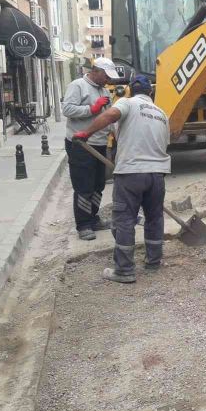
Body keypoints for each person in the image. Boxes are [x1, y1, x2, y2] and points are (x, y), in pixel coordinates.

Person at [73, 75, 171, 284]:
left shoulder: (128, 103)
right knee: (155, 219)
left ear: (131, 91)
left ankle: (124, 270)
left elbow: (110, 115)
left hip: (131, 174)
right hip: (157, 174)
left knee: (124, 221)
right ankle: (153, 262)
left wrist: (86, 133)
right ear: (150, 93)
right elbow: (165, 142)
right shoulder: (162, 113)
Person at [62, 57, 121, 240]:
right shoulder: (78, 85)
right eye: (106, 76)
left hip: (100, 143)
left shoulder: (104, 90)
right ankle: (83, 225)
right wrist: (91, 109)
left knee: (98, 184)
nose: (108, 80)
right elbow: (67, 109)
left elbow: (110, 117)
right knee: (83, 185)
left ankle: (94, 218)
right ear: (95, 71)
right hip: (81, 144)